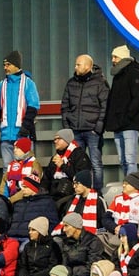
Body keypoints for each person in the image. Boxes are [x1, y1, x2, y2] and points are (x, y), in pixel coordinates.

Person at [61, 54, 109, 190]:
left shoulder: (100, 83)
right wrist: (67, 128)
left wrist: (98, 128)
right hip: (75, 131)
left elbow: (105, 106)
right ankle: (79, 191)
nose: (75, 67)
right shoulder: (71, 83)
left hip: (93, 131)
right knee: (77, 163)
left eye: (78, 64)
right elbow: (64, 106)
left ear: (88, 66)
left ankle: (97, 193)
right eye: (75, 64)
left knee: (95, 163)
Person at [0, 50, 41, 169]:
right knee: (7, 169)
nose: (5, 67)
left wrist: (25, 127)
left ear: (16, 65)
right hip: (6, 136)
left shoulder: (28, 83)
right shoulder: (1, 85)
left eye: (8, 64)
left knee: (26, 168)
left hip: (23, 136)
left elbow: (33, 107)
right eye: (4, 65)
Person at [108, 45, 139, 176]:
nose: (113, 60)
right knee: (123, 160)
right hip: (119, 123)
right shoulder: (118, 75)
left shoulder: (133, 73)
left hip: (129, 124)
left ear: (123, 57)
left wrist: (128, 116)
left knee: (130, 159)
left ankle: (132, 184)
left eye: (115, 57)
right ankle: (128, 182)